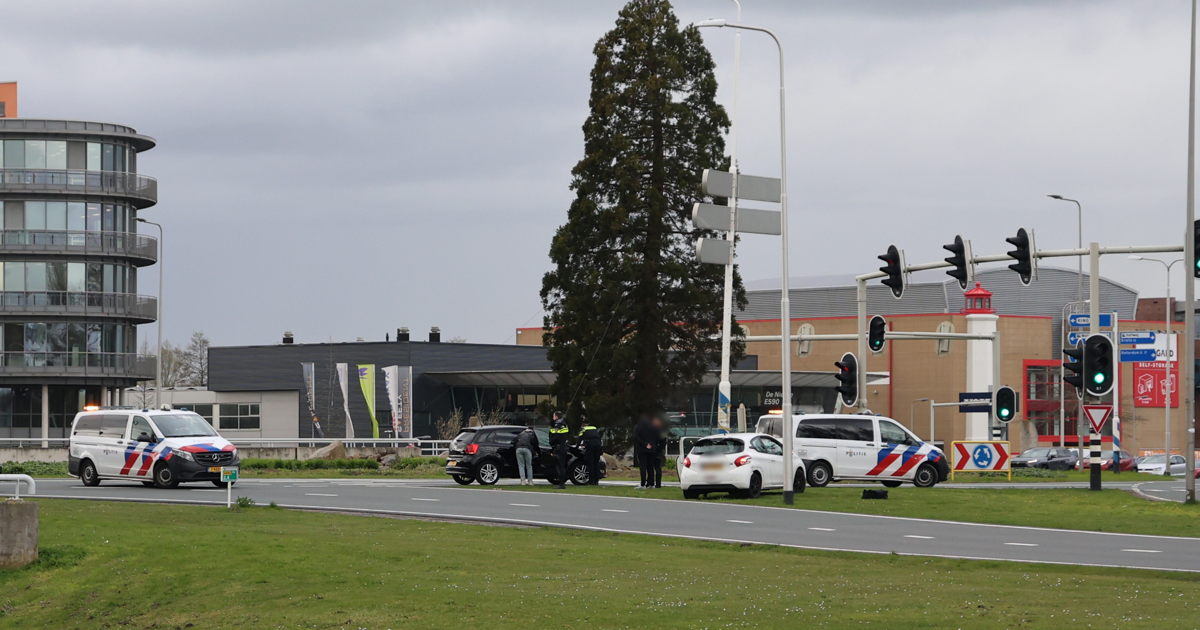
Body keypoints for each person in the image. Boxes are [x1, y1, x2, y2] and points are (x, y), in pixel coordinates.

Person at [633, 412, 658, 489]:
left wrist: (645, 444)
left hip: (642, 449)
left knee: (643, 466)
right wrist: (652, 444)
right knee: (650, 466)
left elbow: (636, 437)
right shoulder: (653, 427)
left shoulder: (638, 427)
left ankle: (643, 484)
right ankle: (651, 483)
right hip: (652, 449)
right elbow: (657, 437)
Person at [548, 411, 570, 489]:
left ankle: (561, 484)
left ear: (556, 417)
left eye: (553, 416)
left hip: (559, 448)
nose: (553, 418)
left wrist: (550, 442)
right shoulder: (564, 424)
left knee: (560, 466)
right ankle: (561, 483)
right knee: (562, 465)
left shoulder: (558, 425)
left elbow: (556, 437)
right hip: (563, 447)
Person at [577, 419, 602, 485]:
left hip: (591, 445)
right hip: (598, 445)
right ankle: (596, 481)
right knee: (596, 463)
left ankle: (591, 481)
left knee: (590, 463)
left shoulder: (583, 429)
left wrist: (576, 447)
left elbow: (579, 439)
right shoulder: (594, 428)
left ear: (582, 426)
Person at [651, 413, 668, 489]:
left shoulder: (661, 431)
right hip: (653, 451)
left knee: (657, 468)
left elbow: (664, 441)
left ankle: (658, 484)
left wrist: (658, 450)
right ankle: (651, 482)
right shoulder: (653, 430)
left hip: (657, 451)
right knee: (651, 468)